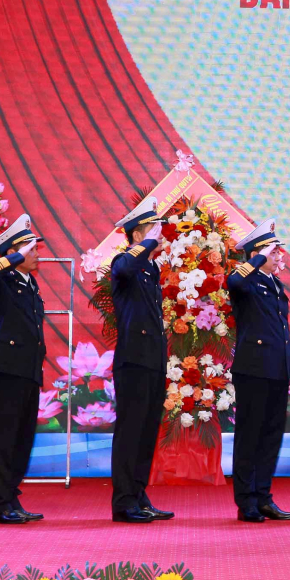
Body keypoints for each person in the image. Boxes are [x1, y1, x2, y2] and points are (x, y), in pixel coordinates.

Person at [227, 218, 290, 523]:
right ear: (257, 254)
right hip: (254, 369)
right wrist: (257, 259)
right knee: (250, 435)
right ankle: (247, 501)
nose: (279, 256)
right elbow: (234, 282)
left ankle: (264, 497)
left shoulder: (274, 284)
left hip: (277, 368)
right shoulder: (246, 281)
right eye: (273, 251)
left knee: (271, 436)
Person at [109, 198, 174, 523]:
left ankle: (138, 494)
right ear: (137, 234)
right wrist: (147, 243)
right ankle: (124, 501)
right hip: (133, 360)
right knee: (131, 432)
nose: (159, 235)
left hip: (152, 360)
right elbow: (124, 268)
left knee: (147, 433)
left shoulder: (150, 268)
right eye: (153, 229)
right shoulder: (124, 263)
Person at [0, 214, 47, 525]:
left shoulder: (29, 284)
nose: (36, 254)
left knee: (21, 440)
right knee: (3, 439)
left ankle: (10, 497)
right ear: (13, 253)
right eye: (31, 249)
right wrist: (16, 256)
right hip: (7, 371)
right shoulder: (2, 281)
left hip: (28, 370)